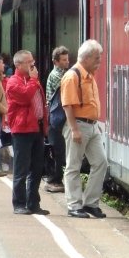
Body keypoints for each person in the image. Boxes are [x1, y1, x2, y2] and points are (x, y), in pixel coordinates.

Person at [61, 40, 107, 219]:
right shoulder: (73, 76)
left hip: (92, 126)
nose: (99, 61)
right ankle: (74, 205)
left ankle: (90, 203)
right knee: (73, 165)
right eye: (97, 58)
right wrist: (74, 129)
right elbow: (68, 105)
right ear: (87, 58)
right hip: (78, 125)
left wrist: (96, 124)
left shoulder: (89, 74)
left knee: (101, 162)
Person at [6, 50, 49, 215]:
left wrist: (45, 125)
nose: (33, 64)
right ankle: (19, 203)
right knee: (21, 168)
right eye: (28, 61)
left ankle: (33, 203)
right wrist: (33, 80)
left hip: (36, 128)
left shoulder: (33, 81)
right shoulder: (14, 82)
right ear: (18, 64)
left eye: (33, 60)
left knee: (37, 168)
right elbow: (25, 97)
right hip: (22, 129)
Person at [44, 45, 70, 193]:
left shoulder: (62, 73)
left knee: (59, 149)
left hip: (56, 117)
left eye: (67, 59)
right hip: (56, 117)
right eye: (64, 60)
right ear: (56, 61)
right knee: (57, 149)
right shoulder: (57, 75)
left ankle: (56, 178)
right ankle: (54, 179)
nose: (67, 62)